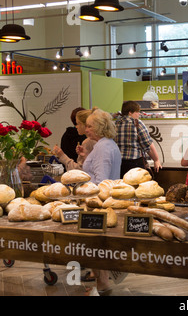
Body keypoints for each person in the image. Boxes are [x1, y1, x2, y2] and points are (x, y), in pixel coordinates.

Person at [78, 109, 122, 296]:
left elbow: (101, 180)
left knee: (94, 243)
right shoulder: (106, 144)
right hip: (103, 200)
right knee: (96, 244)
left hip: (98, 202)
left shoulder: (103, 147)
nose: (86, 129)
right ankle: (101, 281)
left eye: (89, 126)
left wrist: (83, 189)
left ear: (98, 127)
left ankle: (102, 282)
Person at [115, 101, 162, 178]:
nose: (139, 114)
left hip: (118, 163)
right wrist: (156, 160)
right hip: (134, 163)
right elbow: (148, 145)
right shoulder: (137, 123)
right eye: (137, 112)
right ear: (130, 112)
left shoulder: (116, 124)